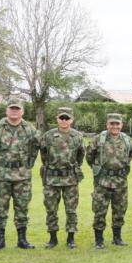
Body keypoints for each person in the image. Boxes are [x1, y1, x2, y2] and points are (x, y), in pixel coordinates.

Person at [0, 98, 40, 251]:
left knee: (22, 207)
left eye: (17, 109)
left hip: (22, 175)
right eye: (12, 108)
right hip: (1, 174)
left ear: (22, 111)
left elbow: (35, 148)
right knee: (0, 208)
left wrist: (28, 164)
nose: (14, 111)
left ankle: (22, 240)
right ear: (7, 110)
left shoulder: (30, 129)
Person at [86, 113, 132, 249]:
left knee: (120, 210)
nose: (114, 126)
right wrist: (99, 170)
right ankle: (99, 240)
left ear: (121, 125)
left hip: (120, 181)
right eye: (111, 124)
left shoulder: (127, 140)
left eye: (117, 124)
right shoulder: (98, 139)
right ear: (107, 124)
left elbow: (130, 154)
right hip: (102, 181)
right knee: (100, 210)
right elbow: (89, 156)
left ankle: (117, 238)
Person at [39, 107, 85, 249]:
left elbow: (80, 155)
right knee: (51, 209)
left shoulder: (77, 136)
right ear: (57, 119)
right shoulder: (48, 135)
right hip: (52, 179)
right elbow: (44, 155)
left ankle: (71, 238)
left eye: (67, 118)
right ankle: (53, 239)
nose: (64, 121)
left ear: (72, 119)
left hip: (70, 179)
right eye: (61, 118)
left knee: (71, 210)